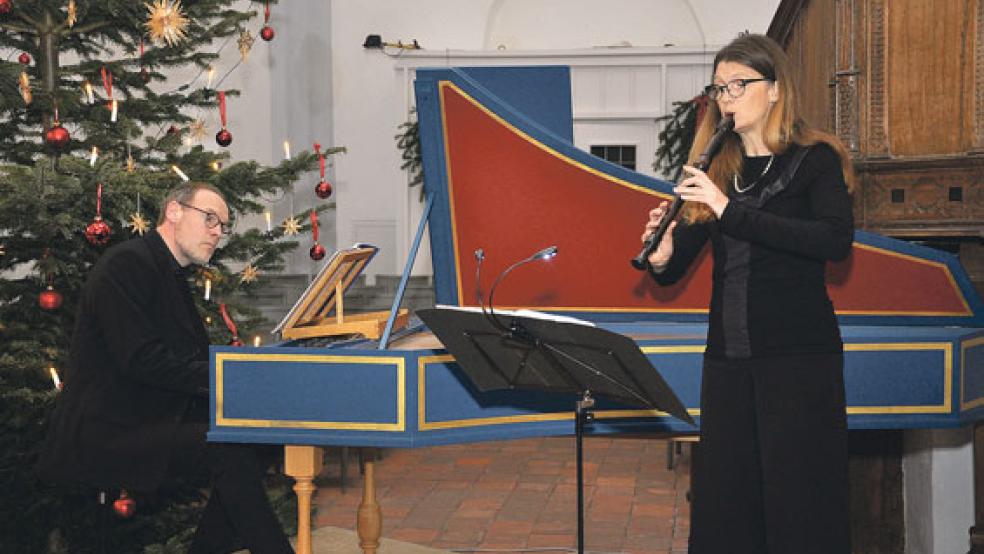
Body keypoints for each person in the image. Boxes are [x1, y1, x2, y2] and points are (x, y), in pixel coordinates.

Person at [641, 33, 855, 554]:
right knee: (726, 507)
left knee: (800, 507)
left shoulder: (816, 160)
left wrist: (728, 211)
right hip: (729, 364)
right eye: (719, 88)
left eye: (740, 83)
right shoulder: (718, 168)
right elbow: (675, 268)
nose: (728, 96)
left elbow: (833, 241)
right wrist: (664, 255)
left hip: (797, 362)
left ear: (776, 89)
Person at [37, 182, 295, 554]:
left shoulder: (166, 270)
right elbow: (142, 360)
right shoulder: (126, 265)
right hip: (108, 427)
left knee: (259, 436)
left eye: (223, 226)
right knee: (229, 447)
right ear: (174, 211)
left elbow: (190, 358)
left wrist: (247, 375)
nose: (217, 234)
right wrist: (231, 379)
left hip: (150, 413)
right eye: (209, 219)